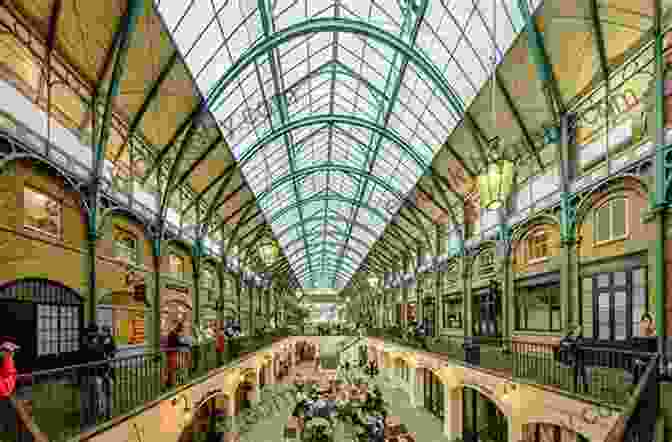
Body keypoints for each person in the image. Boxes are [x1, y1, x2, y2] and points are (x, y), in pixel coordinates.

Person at [80, 323, 107, 429]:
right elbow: (99, 355)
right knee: (93, 395)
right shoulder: (90, 342)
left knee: (90, 396)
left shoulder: (87, 341)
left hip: (90, 374)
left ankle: (90, 416)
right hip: (92, 374)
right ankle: (92, 417)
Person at [0, 337, 18, 437]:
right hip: (4, 390)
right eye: (12, 350)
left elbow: (8, 374)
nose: (13, 353)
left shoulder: (8, 360)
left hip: (4, 390)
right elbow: (8, 374)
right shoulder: (7, 360)